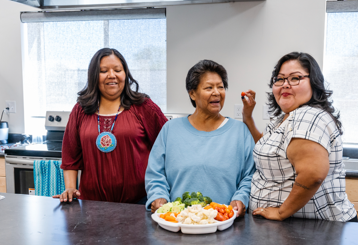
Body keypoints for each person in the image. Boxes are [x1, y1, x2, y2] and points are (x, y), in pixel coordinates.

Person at [241, 52, 357, 222]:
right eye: (280, 79)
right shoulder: (285, 118)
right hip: (297, 228)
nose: (285, 85)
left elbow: (313, 174)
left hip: (314, 230)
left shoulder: (307, 116)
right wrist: (248, 118)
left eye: (295, 78)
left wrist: (281, 212)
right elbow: (271, 151)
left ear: (314, 83)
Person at [53, 48, 168, 204]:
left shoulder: (144, 107)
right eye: (103, 71)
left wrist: (161, 192)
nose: (111, 75)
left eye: (117, 70)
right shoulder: (81, 110)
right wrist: (71, 188)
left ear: (125, 74)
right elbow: (70, 156)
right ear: (94, 76)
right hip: (91, 205)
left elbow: (167, 148)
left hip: (140, 203)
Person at [145, 60, 255, 217]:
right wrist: (158, 196)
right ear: (192, 93)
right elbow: (155, 173)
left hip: (224, 221)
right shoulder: (170, 129)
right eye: (209, 87)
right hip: (177, 222)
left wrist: (241, 198)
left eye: (221, 87)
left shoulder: (240, 132)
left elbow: (250, 175)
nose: (216, 92)